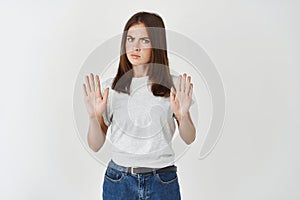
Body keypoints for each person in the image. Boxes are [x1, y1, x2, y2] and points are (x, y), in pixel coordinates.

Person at [82, 11, 196, 200]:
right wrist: (93, 117)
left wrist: (182, 115)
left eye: (144, 40)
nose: (135, 47)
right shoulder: (111, 88)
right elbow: (95, 145)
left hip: (162, 181)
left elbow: (189, 138)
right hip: (119, 182)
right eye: (130, 39)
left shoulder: (174, 86)